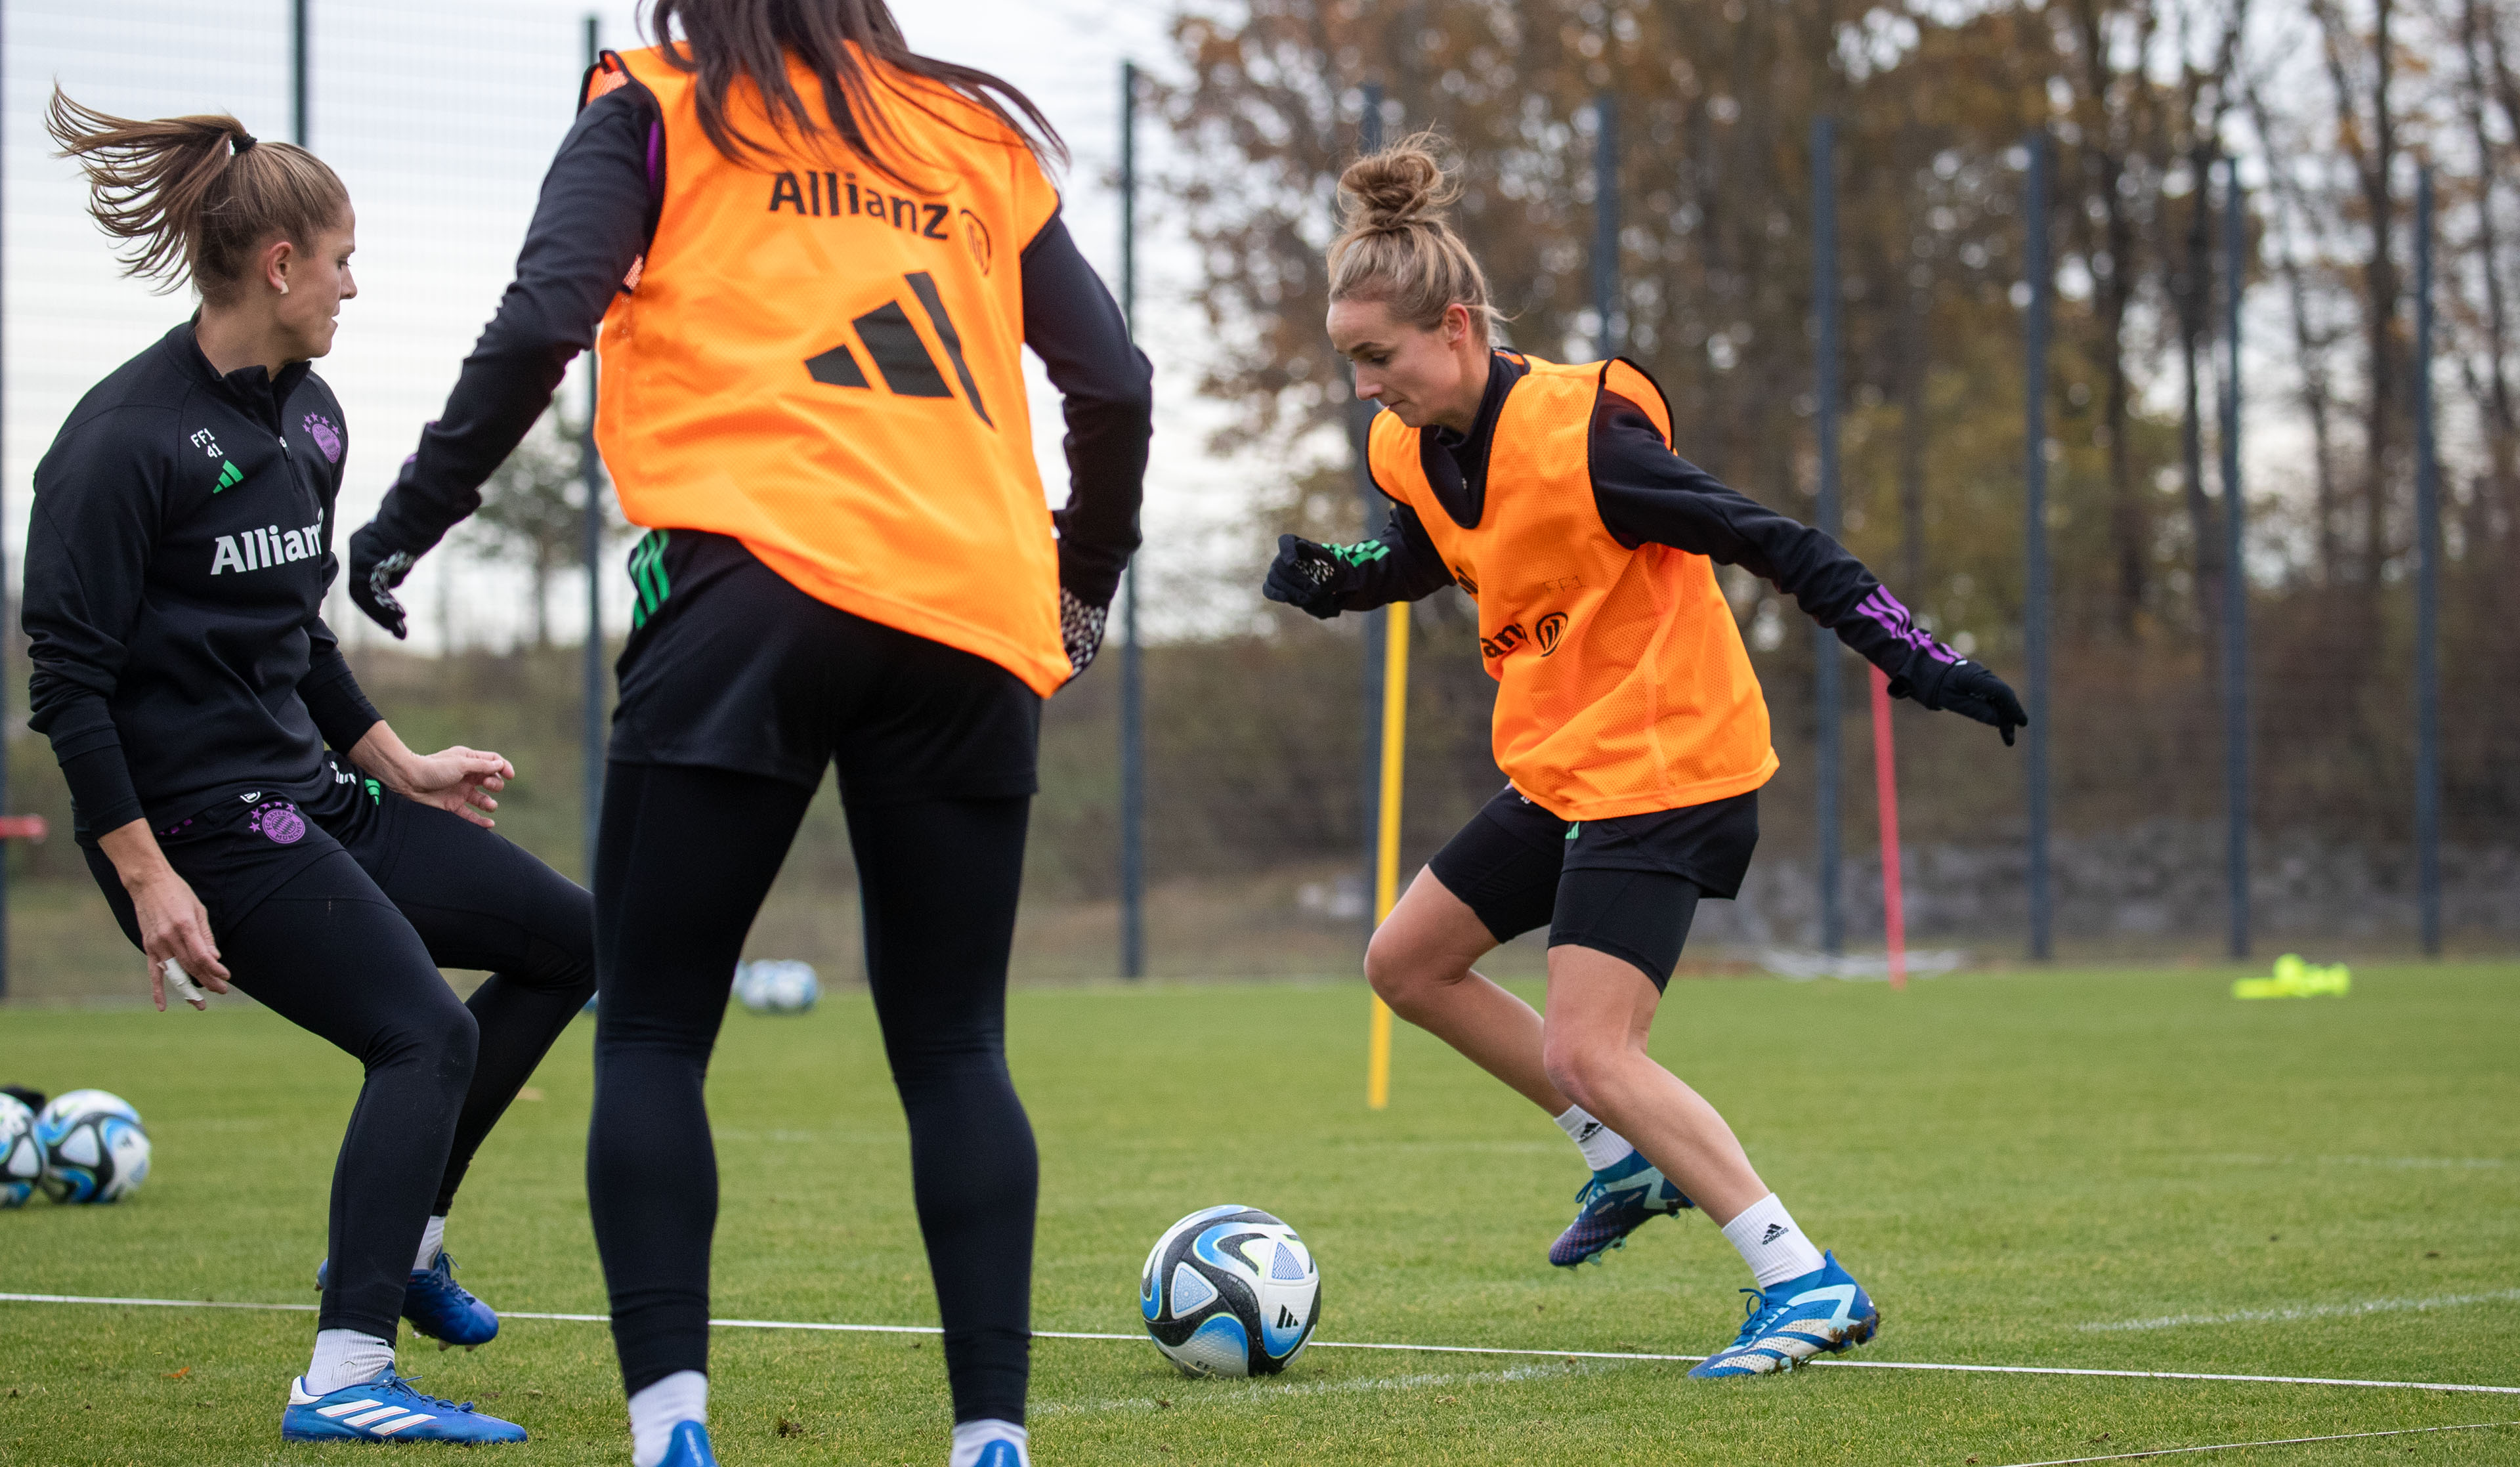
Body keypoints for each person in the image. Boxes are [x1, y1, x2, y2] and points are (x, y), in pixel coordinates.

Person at [339, 3, 1149, 1463]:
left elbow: (543, 319)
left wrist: (408, 520)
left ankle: (673, 1427)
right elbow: (1116, 382)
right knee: (958, 1043)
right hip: (968, 609)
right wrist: (1080, 582)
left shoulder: (656, 98)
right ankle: (991, 1438)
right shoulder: (973, 132)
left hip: (746, 586)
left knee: (652, 1028)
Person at [1262, 137, 2024, 1379]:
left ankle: (1804, 1280)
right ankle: (1621, 1158)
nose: (1362, 388)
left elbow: (1776, 541)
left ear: (1453, 328)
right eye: (1350, 360)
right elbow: (1434, 551)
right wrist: (1337, 581)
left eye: (1375, 358)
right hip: (1564, 764)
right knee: (1406, 963)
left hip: (1673, 763)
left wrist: (1919, 659)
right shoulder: (1410, 447)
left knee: (1589, 1049)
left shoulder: (1592, 435)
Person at [26, 95, 597, 1444]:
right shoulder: (120, 442)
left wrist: (401, 760)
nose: (355, 280)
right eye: (343, 255)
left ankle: (407, 1245)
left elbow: (293, 633)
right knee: (424, 1032)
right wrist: (147, 878)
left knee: (574, 938)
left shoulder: (315, 420)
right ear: (279, 265)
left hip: (316, 800)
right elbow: (67, 686)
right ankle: (342, 1377)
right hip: (201, 836)